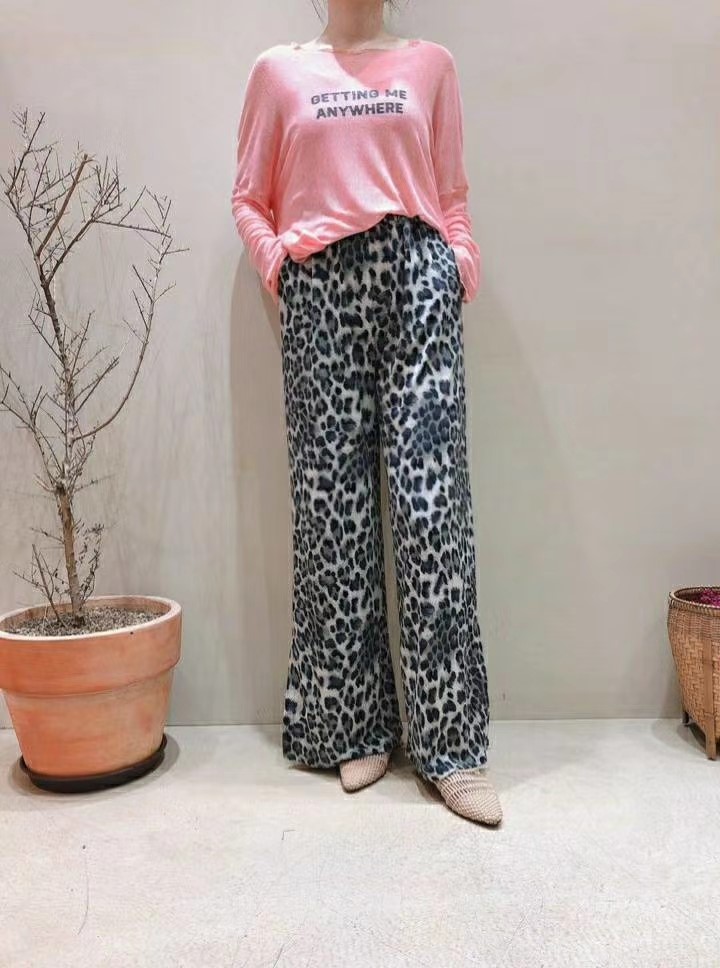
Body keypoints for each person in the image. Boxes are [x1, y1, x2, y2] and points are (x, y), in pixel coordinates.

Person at [231, 0, 502, 826]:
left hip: (418, 281)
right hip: (321, 290)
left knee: (432, 514)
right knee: (332, 514)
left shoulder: (431, 64)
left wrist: (456, 263)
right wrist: (285, 271)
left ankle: (451, 744)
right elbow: (249, 197)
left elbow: (451, 191)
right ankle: (352, 725)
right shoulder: (279, 71)